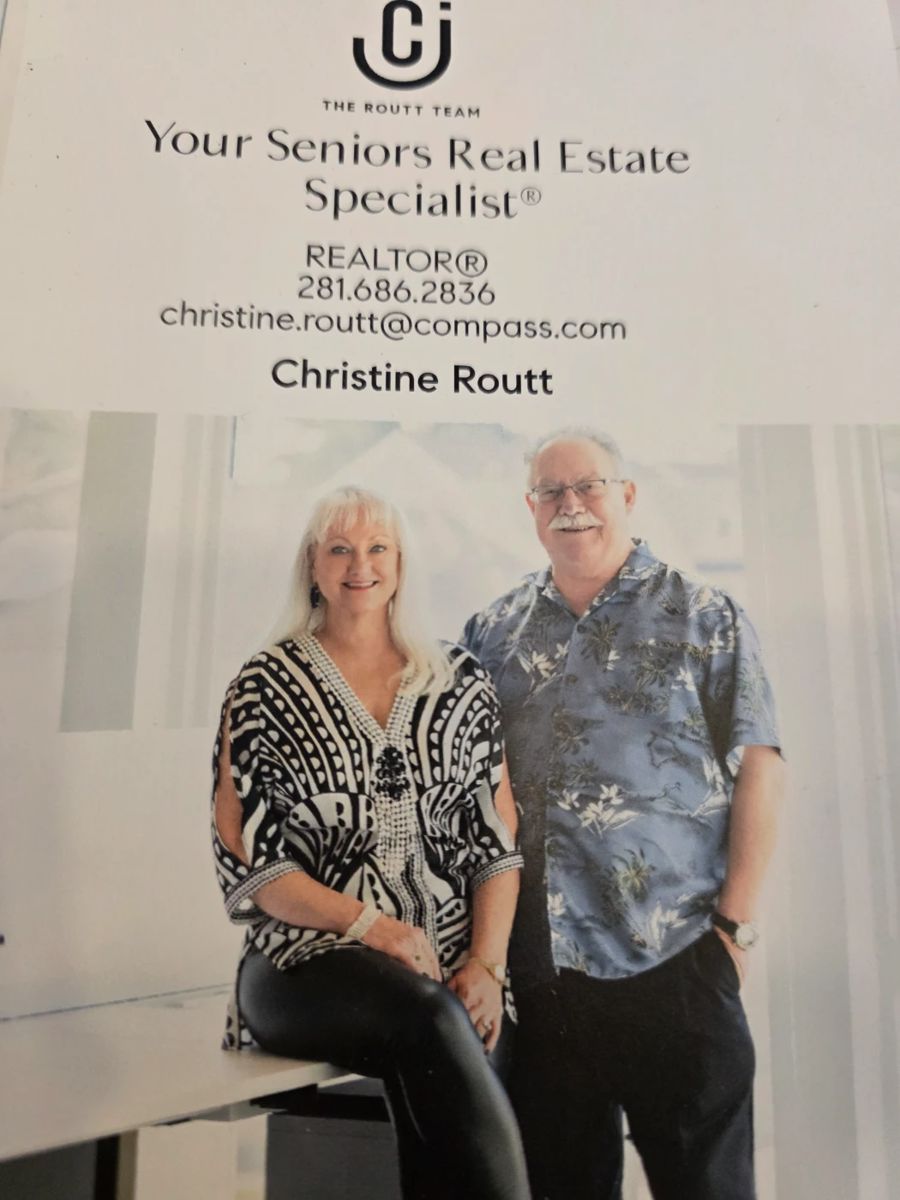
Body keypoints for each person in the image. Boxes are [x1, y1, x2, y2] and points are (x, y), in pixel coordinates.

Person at [461, 429, 783, 1200]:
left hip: (675, 965)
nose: (570, 504)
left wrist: (734, 929)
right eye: (551, 491)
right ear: (531, 508)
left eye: (589, 486)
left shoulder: (706, 618)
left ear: (627, 495)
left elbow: (762, 769)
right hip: (543, 987)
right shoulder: (492, 633)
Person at [211, 485, 530, 1200]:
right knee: (432, 1019)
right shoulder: (264, 685)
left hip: (451, 966)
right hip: (304, 961)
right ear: (313, 565)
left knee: (463, 1037)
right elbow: (253, 865)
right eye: (340, 549)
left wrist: (487, 964)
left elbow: (497, 844)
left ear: (402, 562)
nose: (361, 565)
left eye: (378, 548)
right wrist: (374, 927)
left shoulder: (460, 680)